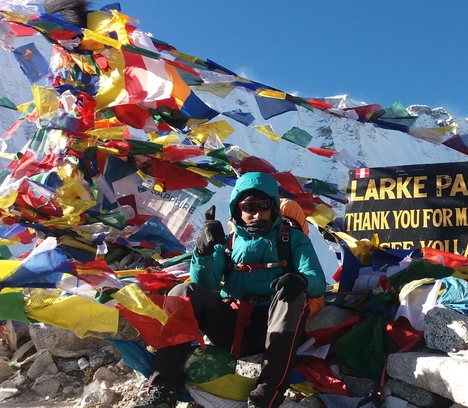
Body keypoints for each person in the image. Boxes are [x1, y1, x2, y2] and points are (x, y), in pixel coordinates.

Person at [134, 172, 326, 408]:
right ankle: (163, 391)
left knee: (291, 297)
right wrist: (203, 253)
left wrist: (301, 281)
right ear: (238, 210)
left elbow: (315, 277)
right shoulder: (227, 242)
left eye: (264, 205)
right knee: (183, 292)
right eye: (249, 207)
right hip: (230, 324)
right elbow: (205, 285)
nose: (257, 213)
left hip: (272, 325)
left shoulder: (293, 240)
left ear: (274, 207)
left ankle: (265, 398)